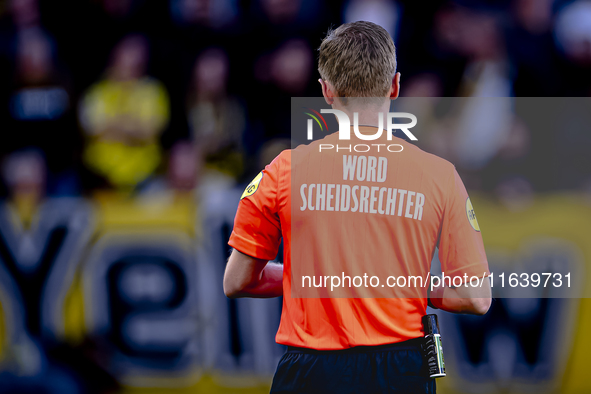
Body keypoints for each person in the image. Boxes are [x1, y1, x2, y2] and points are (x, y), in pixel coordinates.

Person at [223, 21, 491, 393]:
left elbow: (237, 281)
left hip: (312, 369)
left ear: (326, 91)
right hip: (403, 369)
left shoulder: (283, 171)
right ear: (394, 86)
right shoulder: (440, 176)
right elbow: (475, 297)